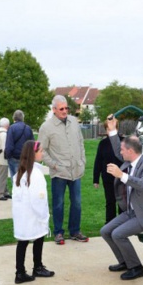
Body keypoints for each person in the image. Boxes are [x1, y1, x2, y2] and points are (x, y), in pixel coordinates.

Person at [100, 135, 143, 280]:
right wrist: (112, 131)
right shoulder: (131, 161)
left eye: (123, 150)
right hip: (132, 211)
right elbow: (117, 150)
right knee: (105, 231)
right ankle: (125, 262)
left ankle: (136, 267)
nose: (120, 153)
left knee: (118, 234)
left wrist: (122, 175)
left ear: (130, 151)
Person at [38, 95, 88, 245]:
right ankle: (58, 232)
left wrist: (82, 161)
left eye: (67, 108)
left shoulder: (73, 122)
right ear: (54, 110)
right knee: (58, 203)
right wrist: (53, 165)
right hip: (59, 172)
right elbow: (41, 150)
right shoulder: (46, 127)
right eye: (61, 109)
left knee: (77, 202)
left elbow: (80, 142)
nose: (65, 111)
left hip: (76, 171)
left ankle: (75, 231)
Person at [12, 140, 55, 284]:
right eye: (41, 151)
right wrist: (44, 215)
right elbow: (38, 198)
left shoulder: (21, 172)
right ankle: (33, 268)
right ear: (33, 154)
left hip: (23, 215)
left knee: (23, 241)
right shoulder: (34, 174)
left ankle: (22, 270)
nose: (43, 153)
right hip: (33, 214)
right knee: (37, 238)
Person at [93, 115, 123, 223]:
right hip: (107, 178)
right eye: (107, 128)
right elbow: (98, 161)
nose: (108, 131)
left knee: (122, 202)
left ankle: (122, 223)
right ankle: (110, 223)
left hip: (121, 177)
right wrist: (95, 179)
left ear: (116, 128)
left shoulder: (123, 142)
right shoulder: (103, 144)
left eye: (110, 128)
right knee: (110, 201)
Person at [5, 109, 33, 178]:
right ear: (23, 118)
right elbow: (32, 144)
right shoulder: (28, 128)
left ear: (14, 118)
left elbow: (9, 145)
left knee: (15, 180)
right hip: (26, 157)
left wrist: (7, 156)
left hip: (14, 157)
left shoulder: (11, 128)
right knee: (25, 179)